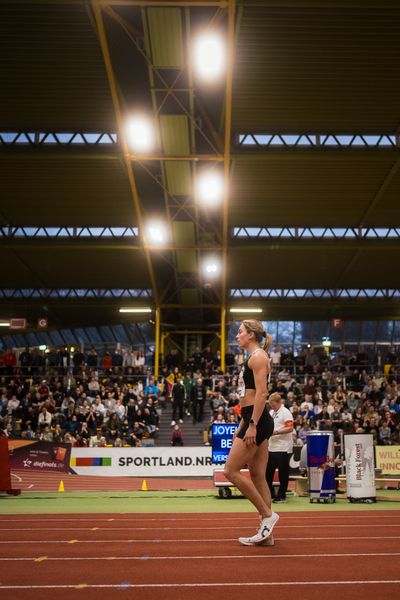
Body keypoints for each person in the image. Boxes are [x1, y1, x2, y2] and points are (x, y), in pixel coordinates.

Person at [224, 319, 279, 546]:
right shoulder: (253, 357)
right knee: (257, 475)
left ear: (252, 335)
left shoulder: (258, 357)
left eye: (240, 332)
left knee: (230, 471)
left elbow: (262, 393)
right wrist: (245, 422)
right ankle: (268, 535)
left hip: (257, 420)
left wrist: (253, 424)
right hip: (252, 418)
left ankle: (268, 516)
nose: (237, 336)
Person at [266, 392, 294, 503]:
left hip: (283, 447)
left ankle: (282, 496)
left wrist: (276, 432)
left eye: (272, 404)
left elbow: (290, 428)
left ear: (278, 402)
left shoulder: (285, 412)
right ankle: (271, 493)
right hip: (271, 446)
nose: (271, 406)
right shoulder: (271, 412)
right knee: (268, 472)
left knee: (283, 473)